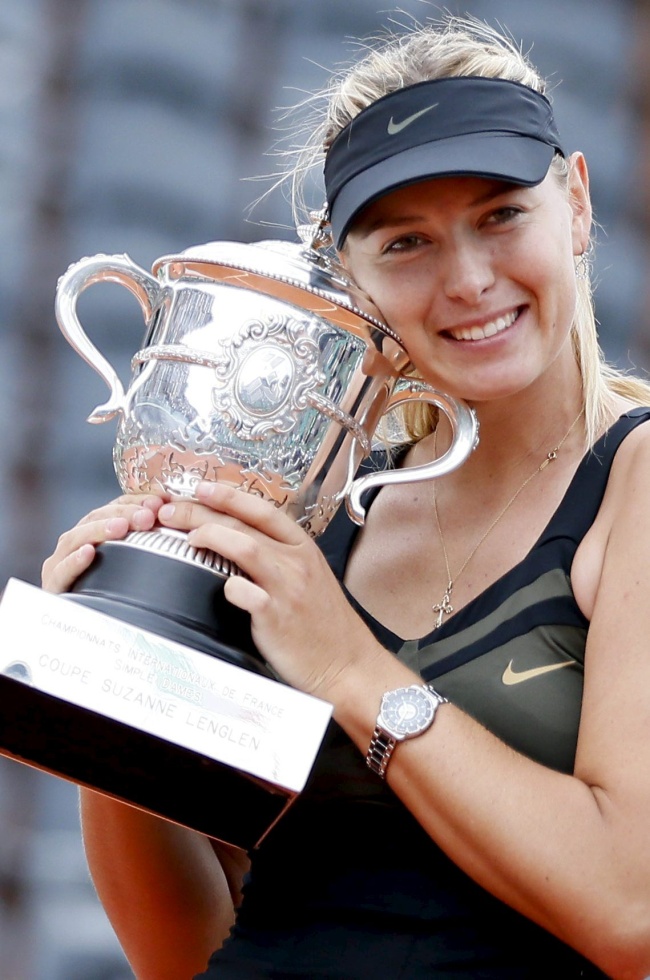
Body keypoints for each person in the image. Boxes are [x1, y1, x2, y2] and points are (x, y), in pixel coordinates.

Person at [42, 15, 650, 980]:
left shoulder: (633, 483)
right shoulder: (309, 520)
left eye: (502, 215)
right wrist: (108, 684)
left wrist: (350, 669)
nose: (468, 280)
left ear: (576, 202)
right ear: (346, 272)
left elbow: (631, 913)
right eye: (406, 242)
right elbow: (180, 954)